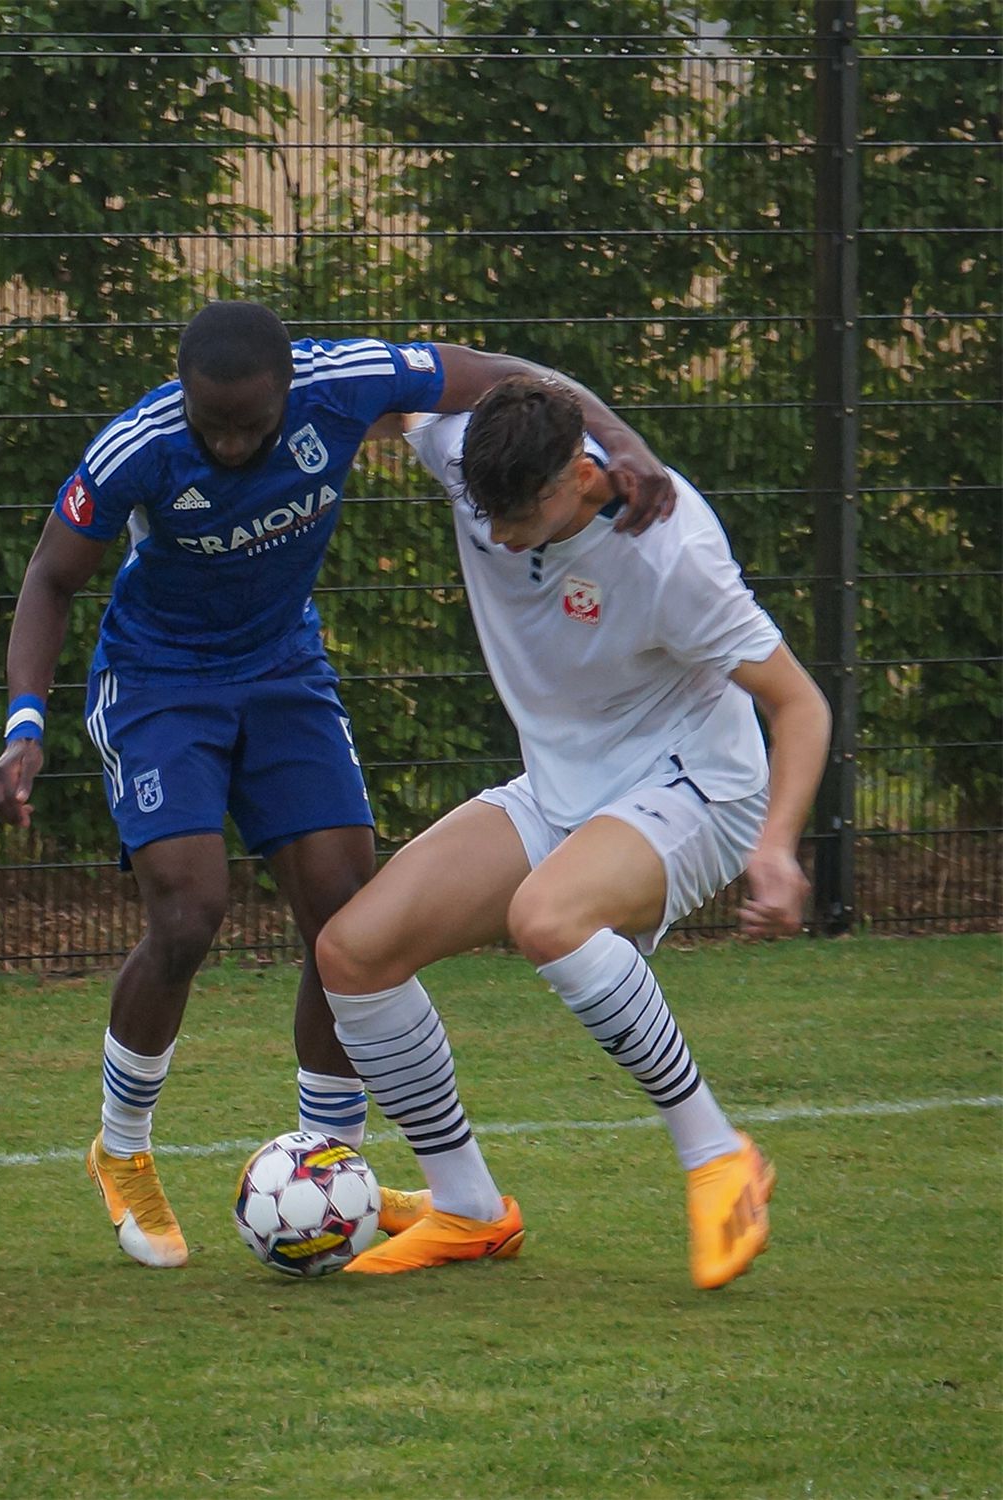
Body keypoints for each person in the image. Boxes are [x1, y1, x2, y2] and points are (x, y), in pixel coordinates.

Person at [0, 302, 676, 1270]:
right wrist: (25, 725)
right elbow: (51, 580)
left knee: (346, 921)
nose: (228, 443)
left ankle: (329, 1165)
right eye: (209, 423)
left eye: (250, 425)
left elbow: (507, 376)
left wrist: (627, 444)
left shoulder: (347, 381)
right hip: (159, 685)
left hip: (282, 676)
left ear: (286, 394)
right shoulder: (136, 447)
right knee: (189, 913)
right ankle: (125, 1149)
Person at [315, 375, 832, 1288]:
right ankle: (469, 1208)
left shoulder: (675, 552)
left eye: (517, 514)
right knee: (354, 951)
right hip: (561, 787)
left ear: (579, 477)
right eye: (486, 511)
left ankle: (718, 1155)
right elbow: (402, 383)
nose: (498, 534)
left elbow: (800, 705)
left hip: (699, 785)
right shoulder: (478, 459)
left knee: (547, 918)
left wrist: (778, 846)